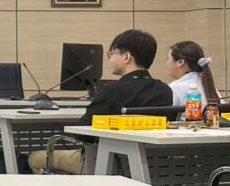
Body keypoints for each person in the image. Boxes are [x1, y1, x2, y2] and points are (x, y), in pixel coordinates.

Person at [28, 29, 173, 173]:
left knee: (34, 158)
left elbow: (82, 134)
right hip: (150, 167)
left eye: (111, 54)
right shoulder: (164, 90)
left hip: (106, 163)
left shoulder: (112, 90)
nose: (109, 59)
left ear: (126, 57)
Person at [166, 41, 219, 116]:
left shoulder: (175, 87)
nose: (166, 63)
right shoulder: (210, 87)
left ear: (180, 62)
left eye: (168, 58)